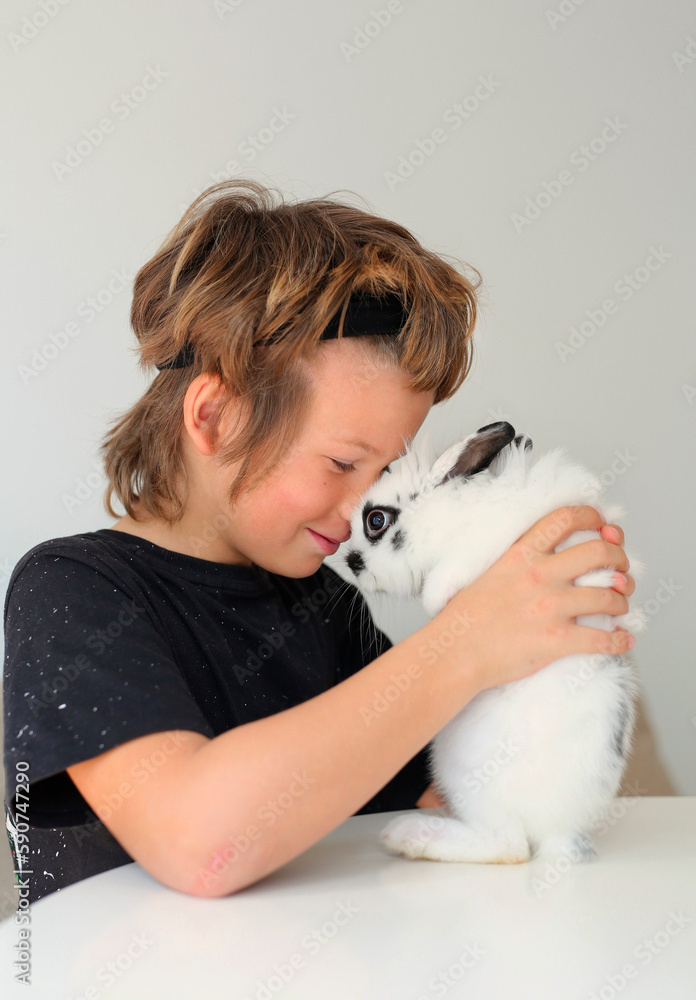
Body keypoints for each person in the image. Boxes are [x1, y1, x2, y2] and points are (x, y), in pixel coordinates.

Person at [2, 179, 636, 904]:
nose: (366, 502)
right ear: (214, 418)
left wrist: (539, 649)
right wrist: (466, 642)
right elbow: (201, 844)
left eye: (386, 473)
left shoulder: (324, 605)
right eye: (342, 463)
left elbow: (435, 804)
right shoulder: (75, 590)